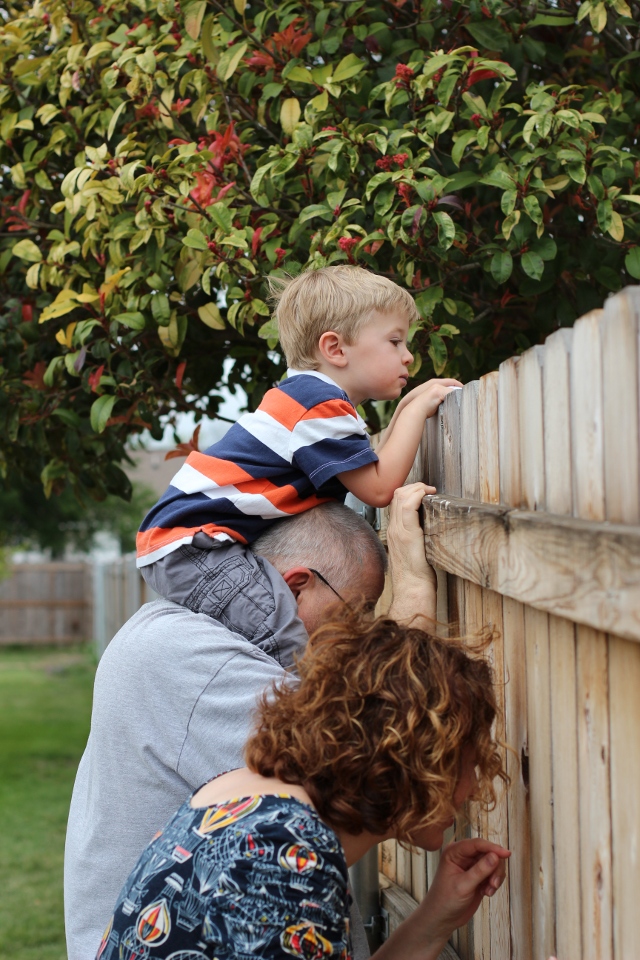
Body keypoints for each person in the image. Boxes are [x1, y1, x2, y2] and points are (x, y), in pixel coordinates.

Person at [65, 485, 434, 960]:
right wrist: (414, 591)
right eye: (358, 613)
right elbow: (386, 747)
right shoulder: (195, 662)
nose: (359, 637)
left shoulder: (170, 629)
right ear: (299, 584)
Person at [96, 609, 510, 960]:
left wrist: (434, 918)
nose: (473, 788)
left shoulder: (242, 801)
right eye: (468, 765)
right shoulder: (281, 860)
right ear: (414, 761)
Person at [135, 266, 461, 621]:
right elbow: (379, 489)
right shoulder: (318, 407)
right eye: (395, 341)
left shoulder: (309, 401)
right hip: (192, 544)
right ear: (335, 348)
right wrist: (415, 414)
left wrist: (405, 407)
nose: (408, 355)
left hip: (187, 541)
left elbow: (371, 468)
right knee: (281, 632)